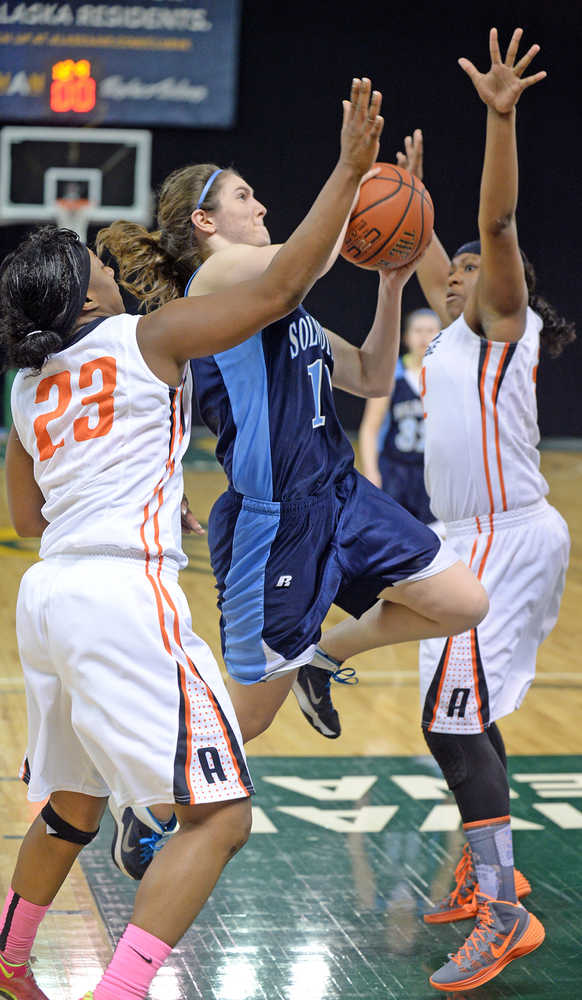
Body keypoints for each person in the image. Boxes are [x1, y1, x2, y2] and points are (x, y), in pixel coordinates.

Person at [0, 77, 385, 1000]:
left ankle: (11, 961)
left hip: (47, 598)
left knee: (72, 804)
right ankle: (120, 990)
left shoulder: (23, 388)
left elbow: (25, 521)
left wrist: (120, 493)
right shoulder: (148, 334)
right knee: (221, 816)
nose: (98, 255)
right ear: (84, 295)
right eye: (83, 257)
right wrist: (350, 169)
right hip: (123, 600)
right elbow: (286, 283)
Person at [97, 109, 488, 773]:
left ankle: (325, 658)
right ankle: (149, 799)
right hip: (272, 521)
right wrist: (355, 173)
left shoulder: (284, 304)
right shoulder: (214, 283)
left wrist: (391, 284)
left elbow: (368, 375)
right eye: (244, 197)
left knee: (461, 602)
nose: (263, 204)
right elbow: (304, 261)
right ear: (205, 222)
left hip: (339, 494)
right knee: (246, 718)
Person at [395, 29, 574, 992]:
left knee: (454, 724)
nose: (454, 274)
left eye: (471, 271)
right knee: (458, 717)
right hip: (462, 542)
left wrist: (498, 122)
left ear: (503, 290)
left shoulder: (504, 325)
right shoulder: (451, 336)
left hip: (507, 539)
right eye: (449, 271)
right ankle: (488, 866)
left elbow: (493, 231)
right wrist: (411, 201)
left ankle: (506, 911)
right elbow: (427, 248)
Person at [358, 307, 440, 525]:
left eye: (430, 330)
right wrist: (371, 472)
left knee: (436, 541)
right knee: (393, 535)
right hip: (395, 470)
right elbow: (369, 429)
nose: (424, 336)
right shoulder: (392, 374)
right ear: (406, 337)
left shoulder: (445, 376)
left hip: (432, 473)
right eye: (418, 330)